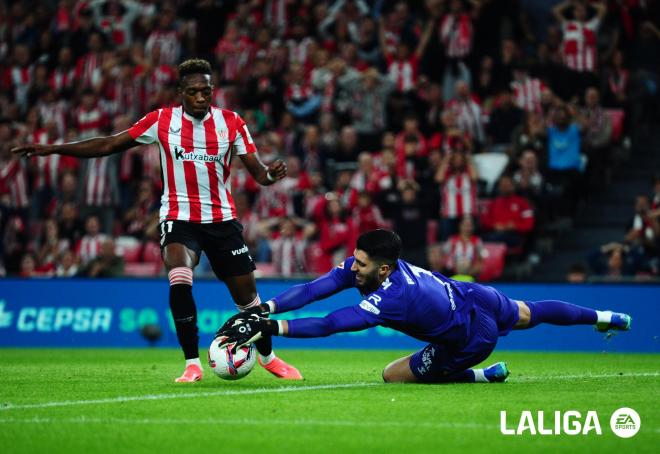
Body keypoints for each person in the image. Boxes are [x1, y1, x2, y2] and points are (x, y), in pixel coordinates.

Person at [12, 58, 302, 383]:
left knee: (248, 300)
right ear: (180, 92)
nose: (201, 98)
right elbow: (109, 143)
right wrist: (53, 149)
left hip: (222, 221)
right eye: (193, 92)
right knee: (179, 277)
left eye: (206, 91)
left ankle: (268, 357)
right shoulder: (161, 121)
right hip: (179, 218)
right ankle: (192, 364)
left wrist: (270, 175)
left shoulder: (231, 122)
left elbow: (258, 173)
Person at [217, 229, 632, 383]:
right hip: (475, 296)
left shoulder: (392, 296)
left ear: (382, 270)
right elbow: (313, 289)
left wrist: (274, 330)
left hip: (471, 338)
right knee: (532, 312)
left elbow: (330, 324)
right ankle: (604, 317)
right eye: (354, 259)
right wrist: (266, 308)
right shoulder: (376, 268)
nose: (351, 267)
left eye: (359, 264)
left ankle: (481, 376)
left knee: (391, 375)